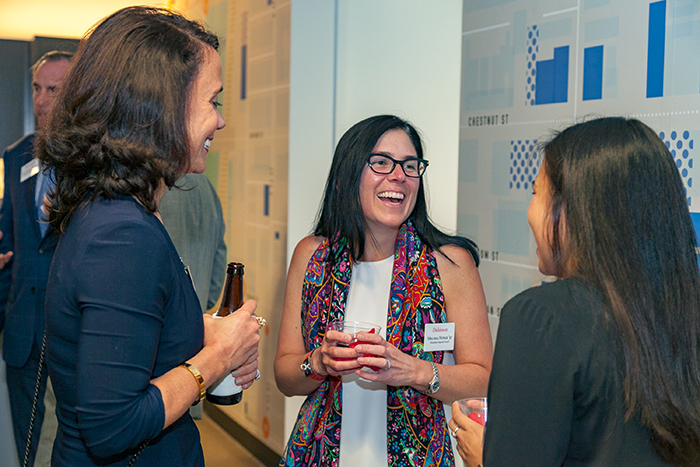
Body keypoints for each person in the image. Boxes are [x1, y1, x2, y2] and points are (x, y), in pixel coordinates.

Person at [36, 7, 261, 466]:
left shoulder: (119, 211)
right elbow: (112, 426)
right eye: (212, 101)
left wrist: (206, 331)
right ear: (165, 107)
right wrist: (218, 356)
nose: (219, 122)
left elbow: (124, 337)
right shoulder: (122, 235)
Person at [448, 117, 700, 467]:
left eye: (536, 192)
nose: (529, 212)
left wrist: (484, 457)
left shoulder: (541, 317)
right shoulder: (683, 313)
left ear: (569, 211)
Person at [275, 115, 493, 467]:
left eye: (410, 166)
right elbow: (285, 375)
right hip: (320, 456)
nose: (398, 176)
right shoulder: (313, 257)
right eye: (380, 163)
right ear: (349, 174)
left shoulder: (450, 265)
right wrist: (318, 362)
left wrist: (413, 371)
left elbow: (482, 381)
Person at [0, 50, 72, 467]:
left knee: (72, 437)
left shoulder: (92, 160)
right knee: (23, 442)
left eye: (54, 90)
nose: (42, 100)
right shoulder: (15, 156)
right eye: (37, 89)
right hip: (23, 323)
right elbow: (10, 232)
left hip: (69, 322)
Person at [159, 173, 227, 420]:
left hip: (159, 353)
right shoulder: (207, 188)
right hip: (195, 344)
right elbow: (219, 267)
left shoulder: (155, 186)